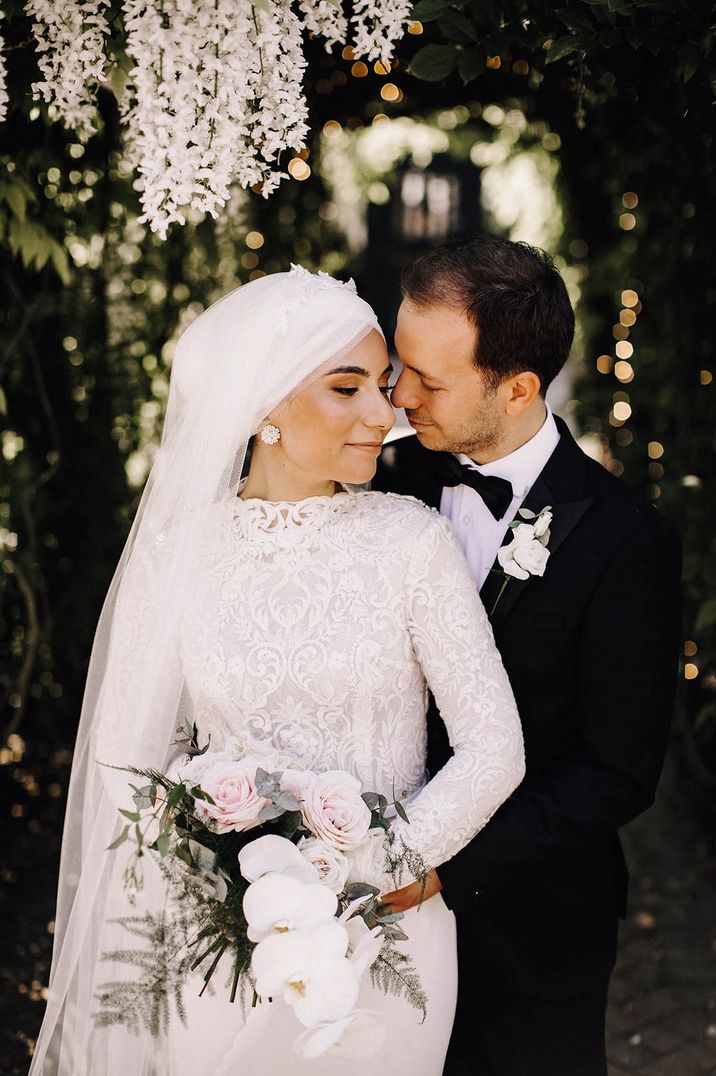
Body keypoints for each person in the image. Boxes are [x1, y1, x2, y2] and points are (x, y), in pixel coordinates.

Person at [30, 265, 525, 1075]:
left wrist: (376, 870)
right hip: (223, 943)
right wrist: (217, 876)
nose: (382, 412)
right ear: (263, 406)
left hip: (388, 936)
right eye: (346, 387)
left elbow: (495, 744)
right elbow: (127, 762)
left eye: (382, 384)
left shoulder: (411, 542)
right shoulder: (174, 556)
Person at [374, 235, 683, 1076]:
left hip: (533, 924)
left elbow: (616, 771)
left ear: (518, 388)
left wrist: (446, 863)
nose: (398, 396)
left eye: (429, 380)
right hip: (360, 911)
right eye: (398, 365)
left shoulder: (627, 541)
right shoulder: (374, 485)